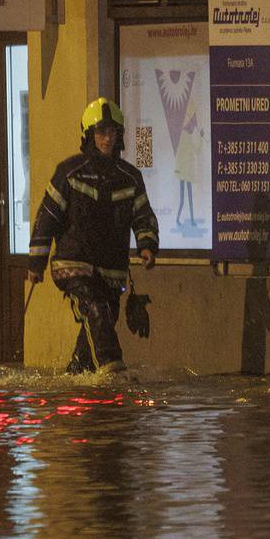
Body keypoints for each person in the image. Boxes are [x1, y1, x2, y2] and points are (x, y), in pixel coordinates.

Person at [28, 97, 159, 374]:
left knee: (101, 320)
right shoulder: (69, 172)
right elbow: (47, 218)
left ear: (119, 135)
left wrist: (147, 245)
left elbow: (143, 214)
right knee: (96, 309)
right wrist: (35, 264)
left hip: (111, 271)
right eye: (100, 132)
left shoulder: (130, 177)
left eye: (111, 132)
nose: (106, 139)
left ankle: (77, 376)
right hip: (73, 265)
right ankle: (113, 372)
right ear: (89, 135)